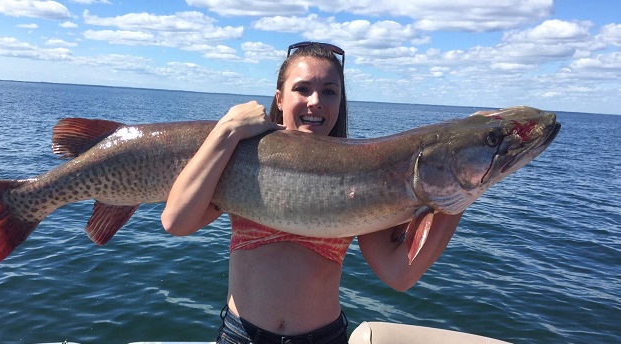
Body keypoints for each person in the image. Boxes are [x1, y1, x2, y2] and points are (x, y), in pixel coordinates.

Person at [161, 42, 464, 344]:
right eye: (302, 88)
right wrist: (227, 130)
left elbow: (399, 274)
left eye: (329, 91)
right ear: (279, 99)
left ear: (340, 101)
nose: (315, 100)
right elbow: (177, 222)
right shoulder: (242, 155)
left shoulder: (361, 172)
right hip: (242, 336)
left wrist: (458, 194)